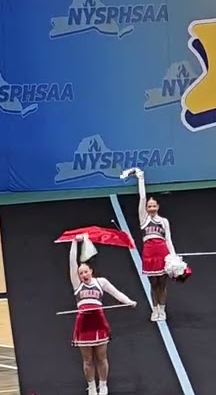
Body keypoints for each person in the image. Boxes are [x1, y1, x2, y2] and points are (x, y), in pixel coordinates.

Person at [69, 234, 136, 395]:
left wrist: (129, 302)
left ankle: (103, 385)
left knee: (101, 356)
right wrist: (73, 243)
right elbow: (72, 263)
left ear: (91, 271)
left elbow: (116, 293)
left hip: (98, 321)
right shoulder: (77, 284)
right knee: (87, 360)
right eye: (81, 273)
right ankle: (91, 386)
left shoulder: (101, 282)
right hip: (84, 323)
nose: (83, 275)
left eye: (85, 271)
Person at [131, 168, 174, 322]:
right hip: (149, 254)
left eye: (154, 206)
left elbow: (168, 239)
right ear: (146, 208)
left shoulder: (164, 221)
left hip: (162, 253)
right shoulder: (144, 219)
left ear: (158, 207)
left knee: (162, 283)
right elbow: (142, 197)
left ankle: (162, 309)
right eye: (149, 206)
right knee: (152, 283)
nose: (151, 208)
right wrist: (140, 179)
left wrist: (173, 258)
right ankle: (154, 309)